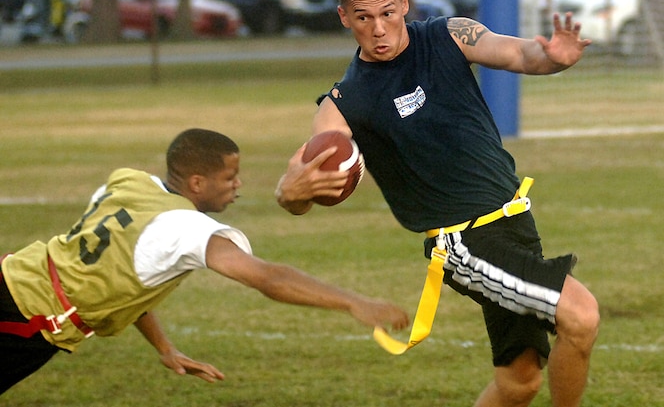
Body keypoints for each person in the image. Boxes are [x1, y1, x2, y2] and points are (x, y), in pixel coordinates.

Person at [275, 0, 599, 407]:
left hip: (515, 224)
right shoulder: (345, 102)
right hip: (462, 243)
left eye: (388, 12)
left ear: (405, 3)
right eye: (364, 17)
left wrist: (552, 58)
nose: (379, 28)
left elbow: (519, 53)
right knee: (580, 316)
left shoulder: (449, 35)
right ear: (344, 17)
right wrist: (288, 194)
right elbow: (311, 169)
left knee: (518, 382)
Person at [0, 128, 409, 395]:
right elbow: (268, 277)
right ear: (197, 183)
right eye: (230, 178)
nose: (238, 185)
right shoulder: (185, 227)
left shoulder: (127, 181)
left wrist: (164, 348)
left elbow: (125, 271)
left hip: (13, 275)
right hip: (24, 319)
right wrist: (353, 302)